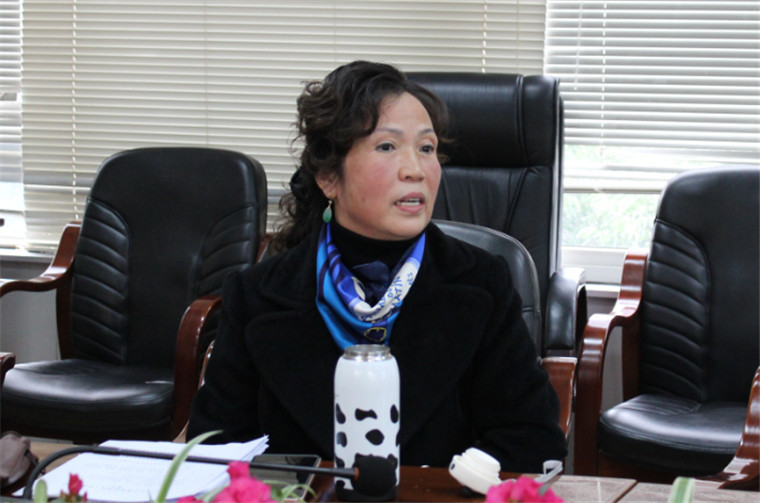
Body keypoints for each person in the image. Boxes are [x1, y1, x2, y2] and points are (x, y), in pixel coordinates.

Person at [187, 60, 567, 472]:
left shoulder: (483, 282)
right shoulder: (256, 294)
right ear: (329, 176)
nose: (416, 170)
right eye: (387, 147)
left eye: (427, 148)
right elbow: (217, 448)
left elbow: (532, 440)